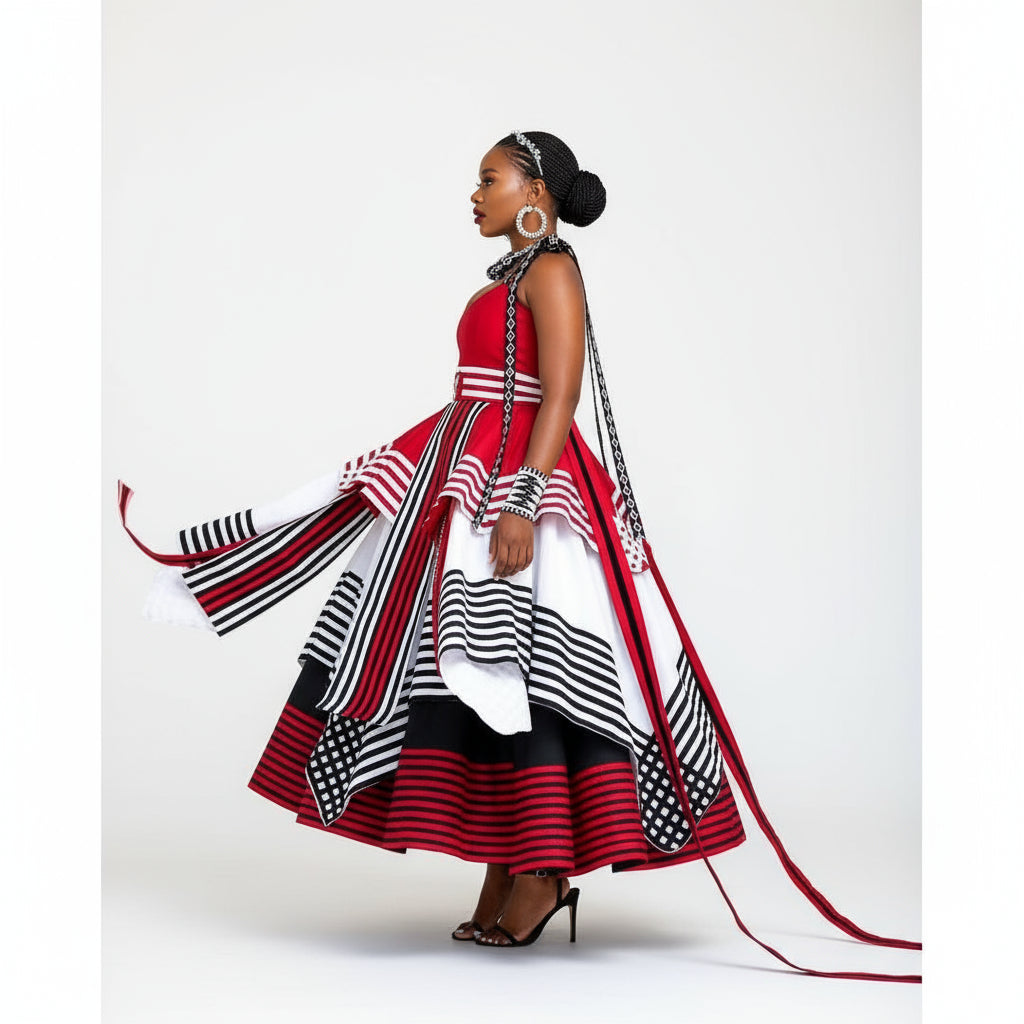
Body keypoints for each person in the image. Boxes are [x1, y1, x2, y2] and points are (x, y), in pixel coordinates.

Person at [117, 130, 920, 978]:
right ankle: (508, 858)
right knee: (457, 658)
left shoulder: (552, 271)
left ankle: (545, 869)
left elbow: (562, 392)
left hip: (521, 480)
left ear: (534, 190)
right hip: (466, 458)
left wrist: (524, 504)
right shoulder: (507, 275)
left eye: (489, 179)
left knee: (532, 661)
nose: (474, 194)